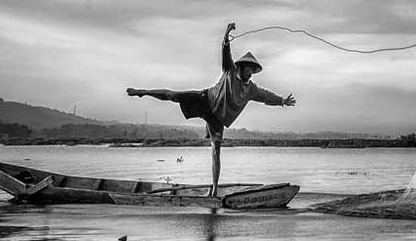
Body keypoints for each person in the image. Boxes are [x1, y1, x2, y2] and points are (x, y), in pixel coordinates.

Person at [126, 23, 297, 195]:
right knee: (173, 96)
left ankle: (214, 189)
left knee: (216, 150)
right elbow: (226, 54)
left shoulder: (251, 89)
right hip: (206, 100)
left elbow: (266, 96)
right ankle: (142, 92)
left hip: (217, 118)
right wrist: (226, 36)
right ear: (242, 67)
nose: (250, 73)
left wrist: (282, 101)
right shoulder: (230, 71)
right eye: (249, 69)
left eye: (253, 70)